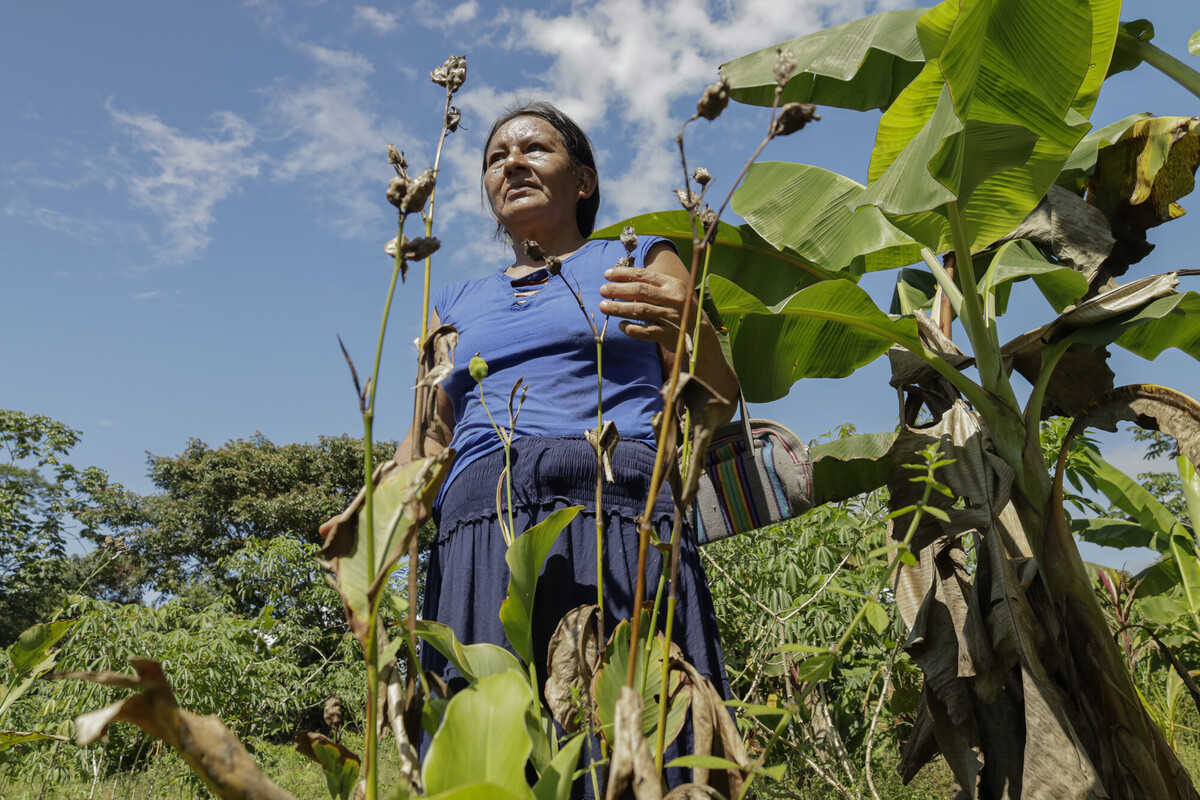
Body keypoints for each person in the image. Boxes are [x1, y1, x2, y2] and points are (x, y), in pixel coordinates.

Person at [345, 101, 739, 788]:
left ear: (583, 182)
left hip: (615, 514)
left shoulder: (641, 256)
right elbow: (428, 431)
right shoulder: (458, 298)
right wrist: (384, 514)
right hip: (474, 532)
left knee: (632, 732)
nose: (512, 162)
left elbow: (719, 391)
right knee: (487, 745)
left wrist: (685, 321)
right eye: (497, 156)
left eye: (535, 149)